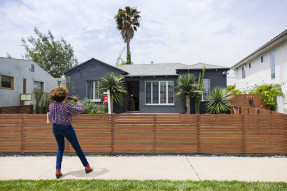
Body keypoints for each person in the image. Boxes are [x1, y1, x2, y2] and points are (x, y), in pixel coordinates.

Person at [48, 86, 93, 179]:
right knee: (77, 147)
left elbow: (50, 116)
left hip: (55, 128)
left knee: (60, 149)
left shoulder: (51, 106)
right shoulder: (67, 106)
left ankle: (58, 170)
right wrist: (77, 101)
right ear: (64, 96)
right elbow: (81, 109)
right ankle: (87, 167)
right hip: (67, 128)